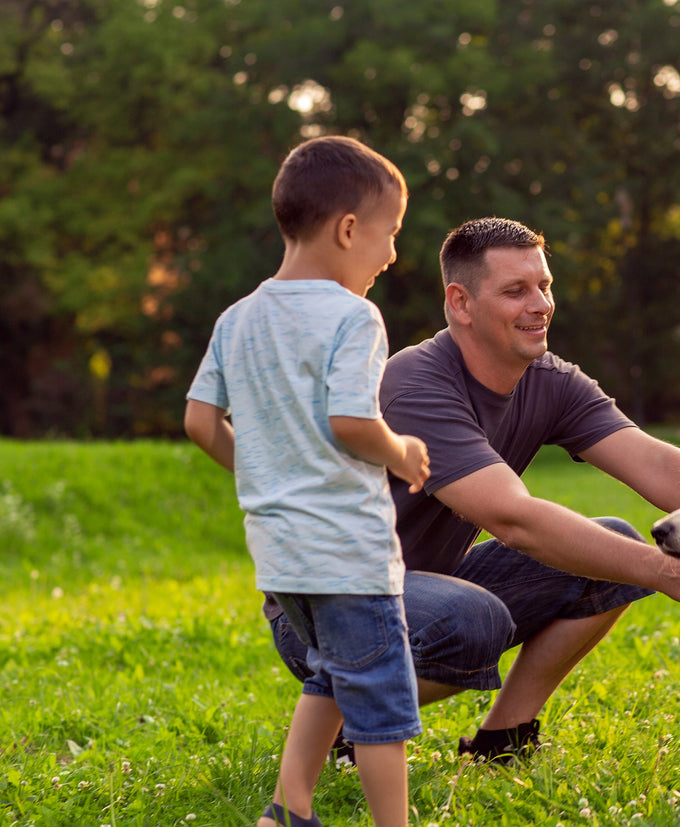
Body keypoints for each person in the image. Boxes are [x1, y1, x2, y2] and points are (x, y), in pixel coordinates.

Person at [268, 216, 680, 765]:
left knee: (607, 548)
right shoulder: (415, 385)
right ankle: (345, 718)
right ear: (460, 303)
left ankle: (503, 739)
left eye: (544, 286)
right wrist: (663, 569)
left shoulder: (550, 379)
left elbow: (652, 461)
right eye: (515, 290)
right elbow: (512, 518)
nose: (541, 304)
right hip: (324, 608)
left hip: (422, 585)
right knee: (471, 618)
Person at [184, 136, 431, 827]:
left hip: (280, 555)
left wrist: (264, 471)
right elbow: (353, 420)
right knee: (379, 700)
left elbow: (201, 423)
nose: (390, 255)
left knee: (330, 670)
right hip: (347, 552)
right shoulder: (354, 316)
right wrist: (401, 450)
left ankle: (289, 809)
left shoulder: (237, 319)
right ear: (349, 229)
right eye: (390, 236)